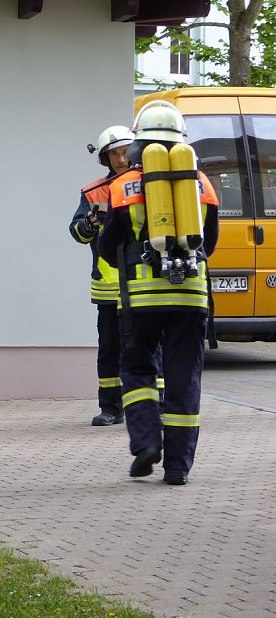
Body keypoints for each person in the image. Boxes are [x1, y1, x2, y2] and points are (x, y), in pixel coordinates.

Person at [98, 101, 219, 486]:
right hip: (191, 297)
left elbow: (107, 247)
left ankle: (147, 443)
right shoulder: (202, 184)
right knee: (184, 378)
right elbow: (210, 243)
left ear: (138, 143)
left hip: (141, 299)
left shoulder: (121, 186)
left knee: (137, 369)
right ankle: (178, 468)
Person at [70, 126, 133, 426]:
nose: (121, 159)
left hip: (142, 284)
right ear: (106, 159)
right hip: (108, 287)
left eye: (125, 152)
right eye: (115, 154)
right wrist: (91, 224)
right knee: (109, 348)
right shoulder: (93, 192)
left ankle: (153, 405)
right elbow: (76, 232)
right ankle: (111, 407)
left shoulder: (149, 185)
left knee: (148, 346)